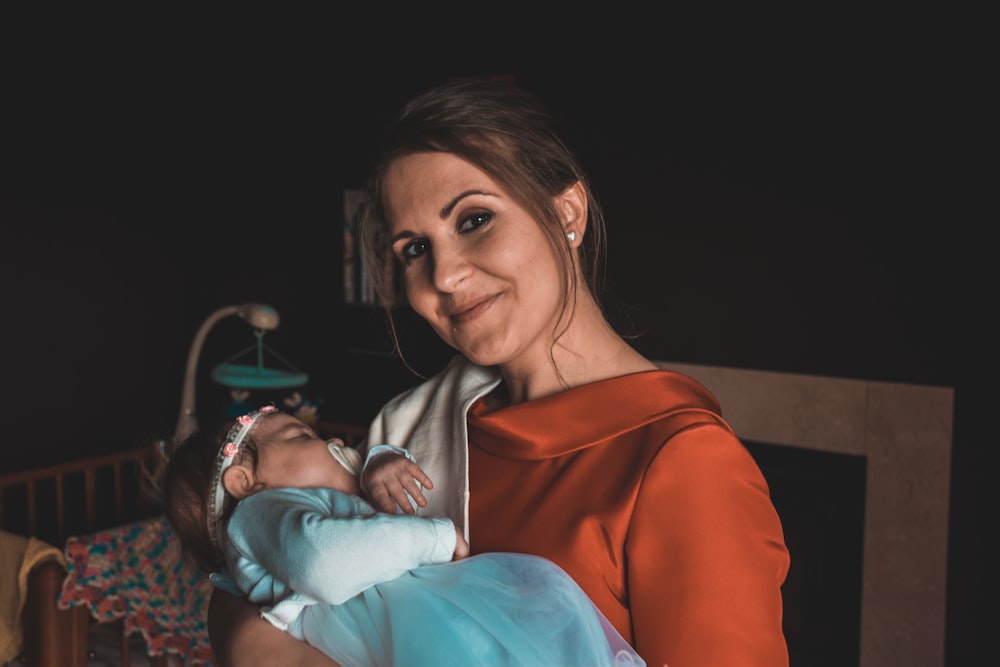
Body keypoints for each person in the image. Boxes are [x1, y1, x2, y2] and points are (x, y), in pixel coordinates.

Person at [207, 79, 790, 667]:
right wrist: (243, 636)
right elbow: (257, 574)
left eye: (474, 219)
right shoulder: (407, 435)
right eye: (414, 249)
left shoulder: (684, 464)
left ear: (568, 212)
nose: (444, 276)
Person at [163, 405, 644, 667]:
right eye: (299, 438)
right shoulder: (258, 513)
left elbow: (365, 466)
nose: (329, 443)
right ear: (245, 481)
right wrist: (434, 539)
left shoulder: (312, 498)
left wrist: (382, 460)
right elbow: (322, 567)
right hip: (404, 629)